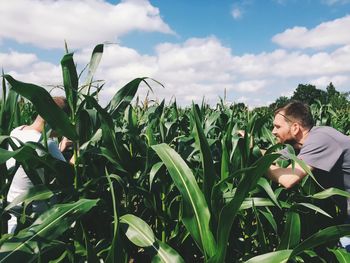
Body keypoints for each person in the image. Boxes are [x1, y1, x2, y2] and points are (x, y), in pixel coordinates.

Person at [267, 100, 350, 251]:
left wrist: (257, 165)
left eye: (277, 126)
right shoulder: (300, 146)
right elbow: (271, 157)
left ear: (295, 128)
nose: (273, 131)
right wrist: (248, 146)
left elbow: (288, 179)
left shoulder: (321, 139)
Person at [6, 96, 73, 233]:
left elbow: (39, 160)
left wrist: (61, 147)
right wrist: (79, 150)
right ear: (57, 119)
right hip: (38, 219)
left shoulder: (16, 132)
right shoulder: (48, 145)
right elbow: (68, 175)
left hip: (13, 209)